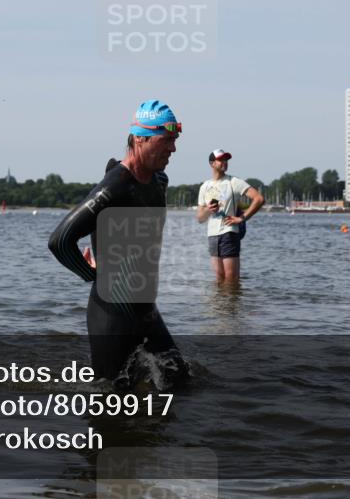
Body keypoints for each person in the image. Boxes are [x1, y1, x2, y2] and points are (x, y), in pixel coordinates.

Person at [48, 100, 185, 384]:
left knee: (181, 382)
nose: (173, 148)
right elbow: (60, 241)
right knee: (111, 402)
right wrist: (92, 275)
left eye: (175, 140)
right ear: (139, 138)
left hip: (147, 311)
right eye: (166, 140)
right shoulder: (116, 185)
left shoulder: (159, 180)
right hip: (113, 316)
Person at [195, 149, 264, 283]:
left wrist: (242, 218)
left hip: (229, 233)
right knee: (219, 279)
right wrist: (209, 210)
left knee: (231, 279)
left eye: (226, 159)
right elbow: (200, 218)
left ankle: (232, 304)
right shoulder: (205, 186)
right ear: (212, 163)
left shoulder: (234, 182)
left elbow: (259, 199)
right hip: (212, 235)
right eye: (221, 159)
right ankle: (221, 304)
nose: (225, 162)